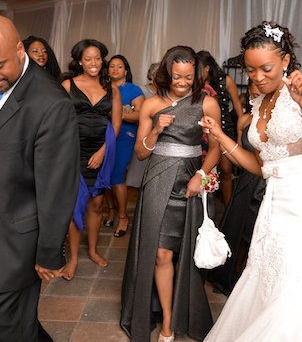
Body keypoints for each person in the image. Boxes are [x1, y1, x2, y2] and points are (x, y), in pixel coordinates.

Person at [200, 21, 302, 341]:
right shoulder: (259, 101)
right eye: (250, 70)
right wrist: (221, 137)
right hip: (273, 203)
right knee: (264, 278)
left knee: (292, 287)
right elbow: (260, 166)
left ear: (285, 61)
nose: (257, 77)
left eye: (265, 68)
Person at [0, 15, 80, 342]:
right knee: (20, 323)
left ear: (20, 50)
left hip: (18, 235)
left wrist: (49, 252)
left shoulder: (51, 103)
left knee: (0, 321)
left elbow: (57, 187)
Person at [120, 46, 222, 342]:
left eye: (189, 77)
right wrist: (155, 130)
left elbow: (216, 149)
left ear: (196, 75)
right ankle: (166, 320)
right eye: (177, 76)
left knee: (187, 254)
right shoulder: (151, 105)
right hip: (157, 181)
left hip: (190, 180)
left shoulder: (207, 103)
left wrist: (201, 175)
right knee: (161, 254)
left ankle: (185, 313)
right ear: (167, 73)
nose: (183, 82)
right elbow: (141, 153)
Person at [61, 39, 122, 273]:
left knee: (96, 205)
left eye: (97, 58)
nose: (94, 63)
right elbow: (57, 120)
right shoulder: (68, 85)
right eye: (88, 59)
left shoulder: (111, 88)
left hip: (101, 150)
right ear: (80, 61)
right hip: (72, 151)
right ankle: (74, 258)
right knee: (75, 203)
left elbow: (116, 124)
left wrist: (102, 152)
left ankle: (93, 251)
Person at [207, 78, 265, 295]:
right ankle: (235, 274)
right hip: (247, 182)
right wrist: (220, 144)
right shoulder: (243, 121)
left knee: (257, 235)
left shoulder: (274, 122)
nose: (256, 99)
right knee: (237, 232)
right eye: (253, 95)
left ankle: (253, 279)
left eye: (260, 95)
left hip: (266, 183)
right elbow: (239, 158)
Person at [197, 51, 244, 205]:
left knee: (225, 170)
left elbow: (236, 103)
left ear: (207, 67)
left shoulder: (226, 80)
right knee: (206, 166)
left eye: (199, 68)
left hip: (224, 128)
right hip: (204, 129)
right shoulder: (195, 84)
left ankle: (227, 207)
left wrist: (243, 126)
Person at [104, 55, 144, 237]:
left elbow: (139, 115)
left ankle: (123, 217)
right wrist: (123, 110)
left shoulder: (133, 90)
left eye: (119, 66)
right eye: (112, 66)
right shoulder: (102, 88)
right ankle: (111, 211)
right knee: (104, 175)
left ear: (126, 71)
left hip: (125, 136)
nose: (115, 69)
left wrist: (116, 113)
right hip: (103, 134)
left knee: (117, 175)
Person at [124, 62, 159, 189]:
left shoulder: (165, 93)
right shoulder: (142, 90)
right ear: (152, 76)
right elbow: (133, 110)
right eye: (158, 74)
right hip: (143, 132)